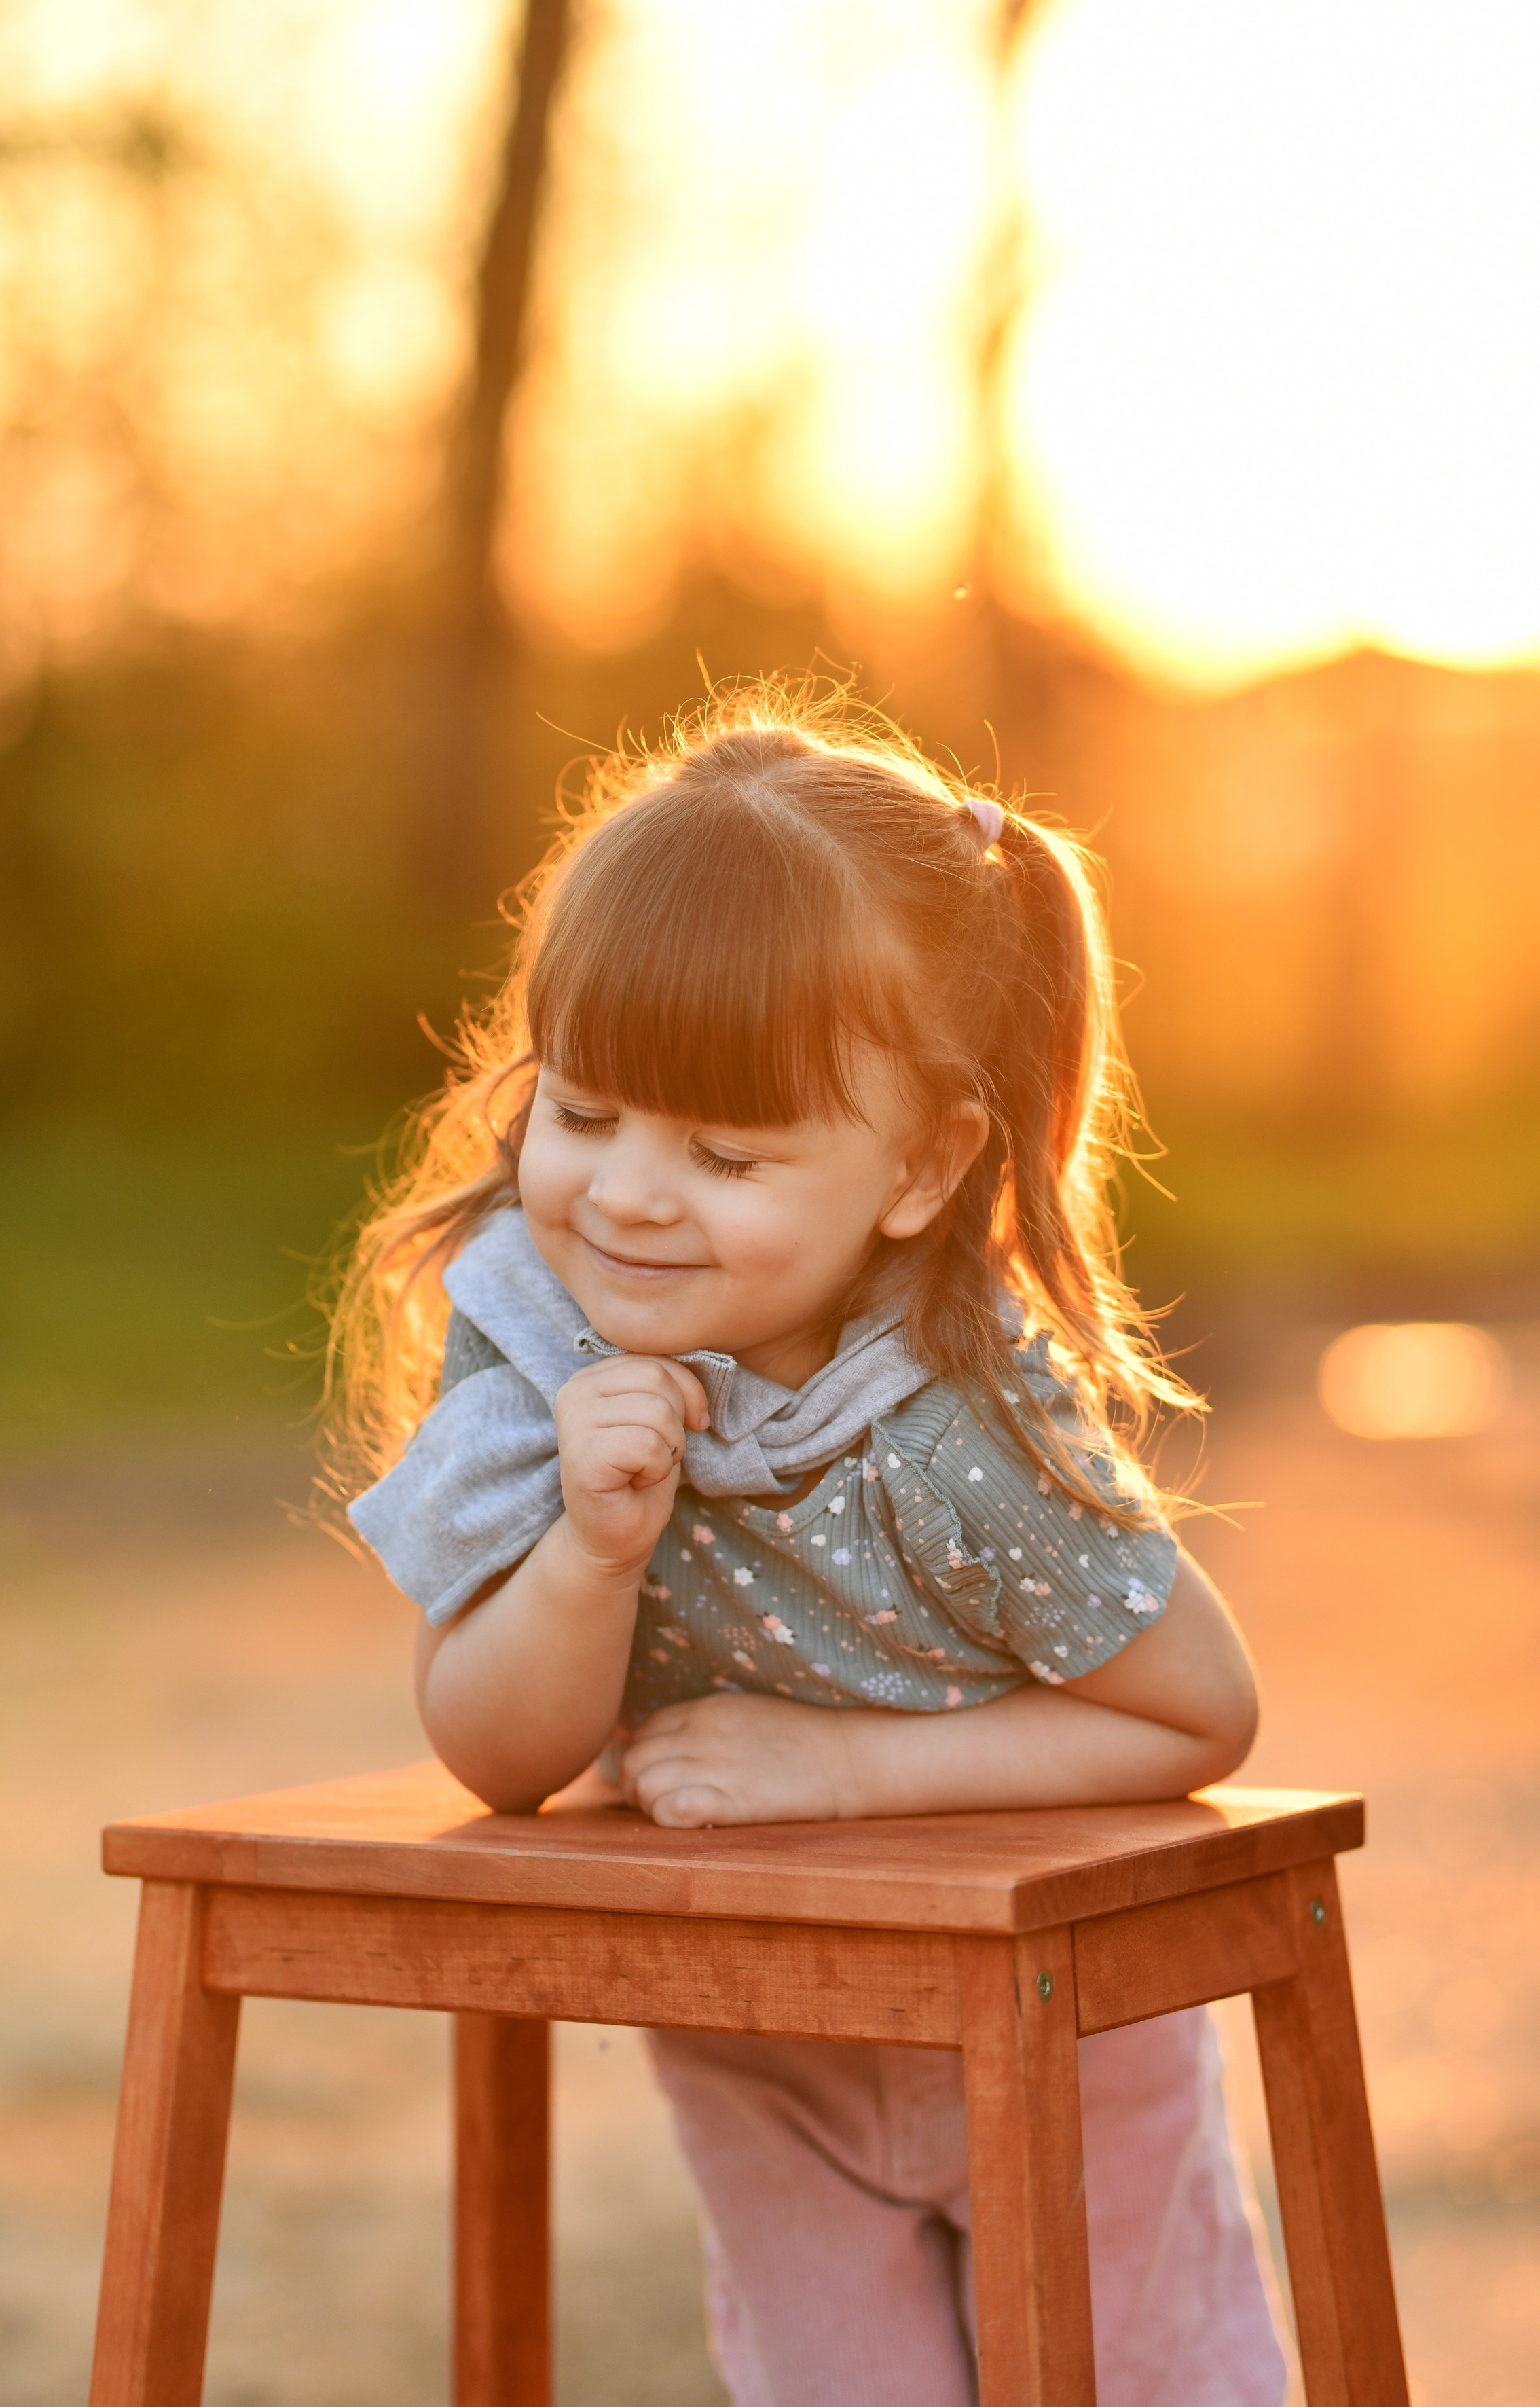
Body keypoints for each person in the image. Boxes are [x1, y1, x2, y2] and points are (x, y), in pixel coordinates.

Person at [326, 684, 1290, 2407]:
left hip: (1058, 2021)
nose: (625, 1194)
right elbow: (489, 1753)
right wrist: (589, 1556)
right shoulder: (540, 1349)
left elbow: (1196, 1715)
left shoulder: (952, 1419)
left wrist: (839, 1770)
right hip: (762, 2033)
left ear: (917, 1169)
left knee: (1137, 2387)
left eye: (726, 1151)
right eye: (586, 1109)